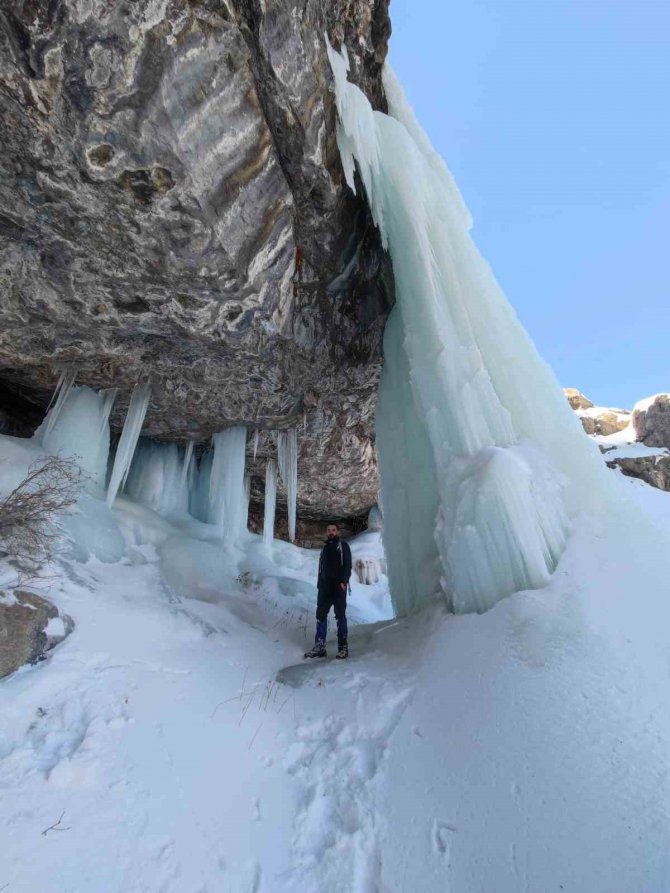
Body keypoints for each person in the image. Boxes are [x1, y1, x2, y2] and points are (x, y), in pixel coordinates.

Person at [304, 522, 352, 660]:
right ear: (326, 532)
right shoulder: (324, 548)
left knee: (340, 615)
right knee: (320, 615)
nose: (331, 532)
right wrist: (320, 584)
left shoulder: (343, 546)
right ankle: (320, 647)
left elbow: (347, 565)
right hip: (325, 587)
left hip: (338, 587)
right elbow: (321, 568)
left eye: (333, 530)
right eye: (329, 530)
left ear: (337, 532)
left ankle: (343, 647)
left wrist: (344, 581)